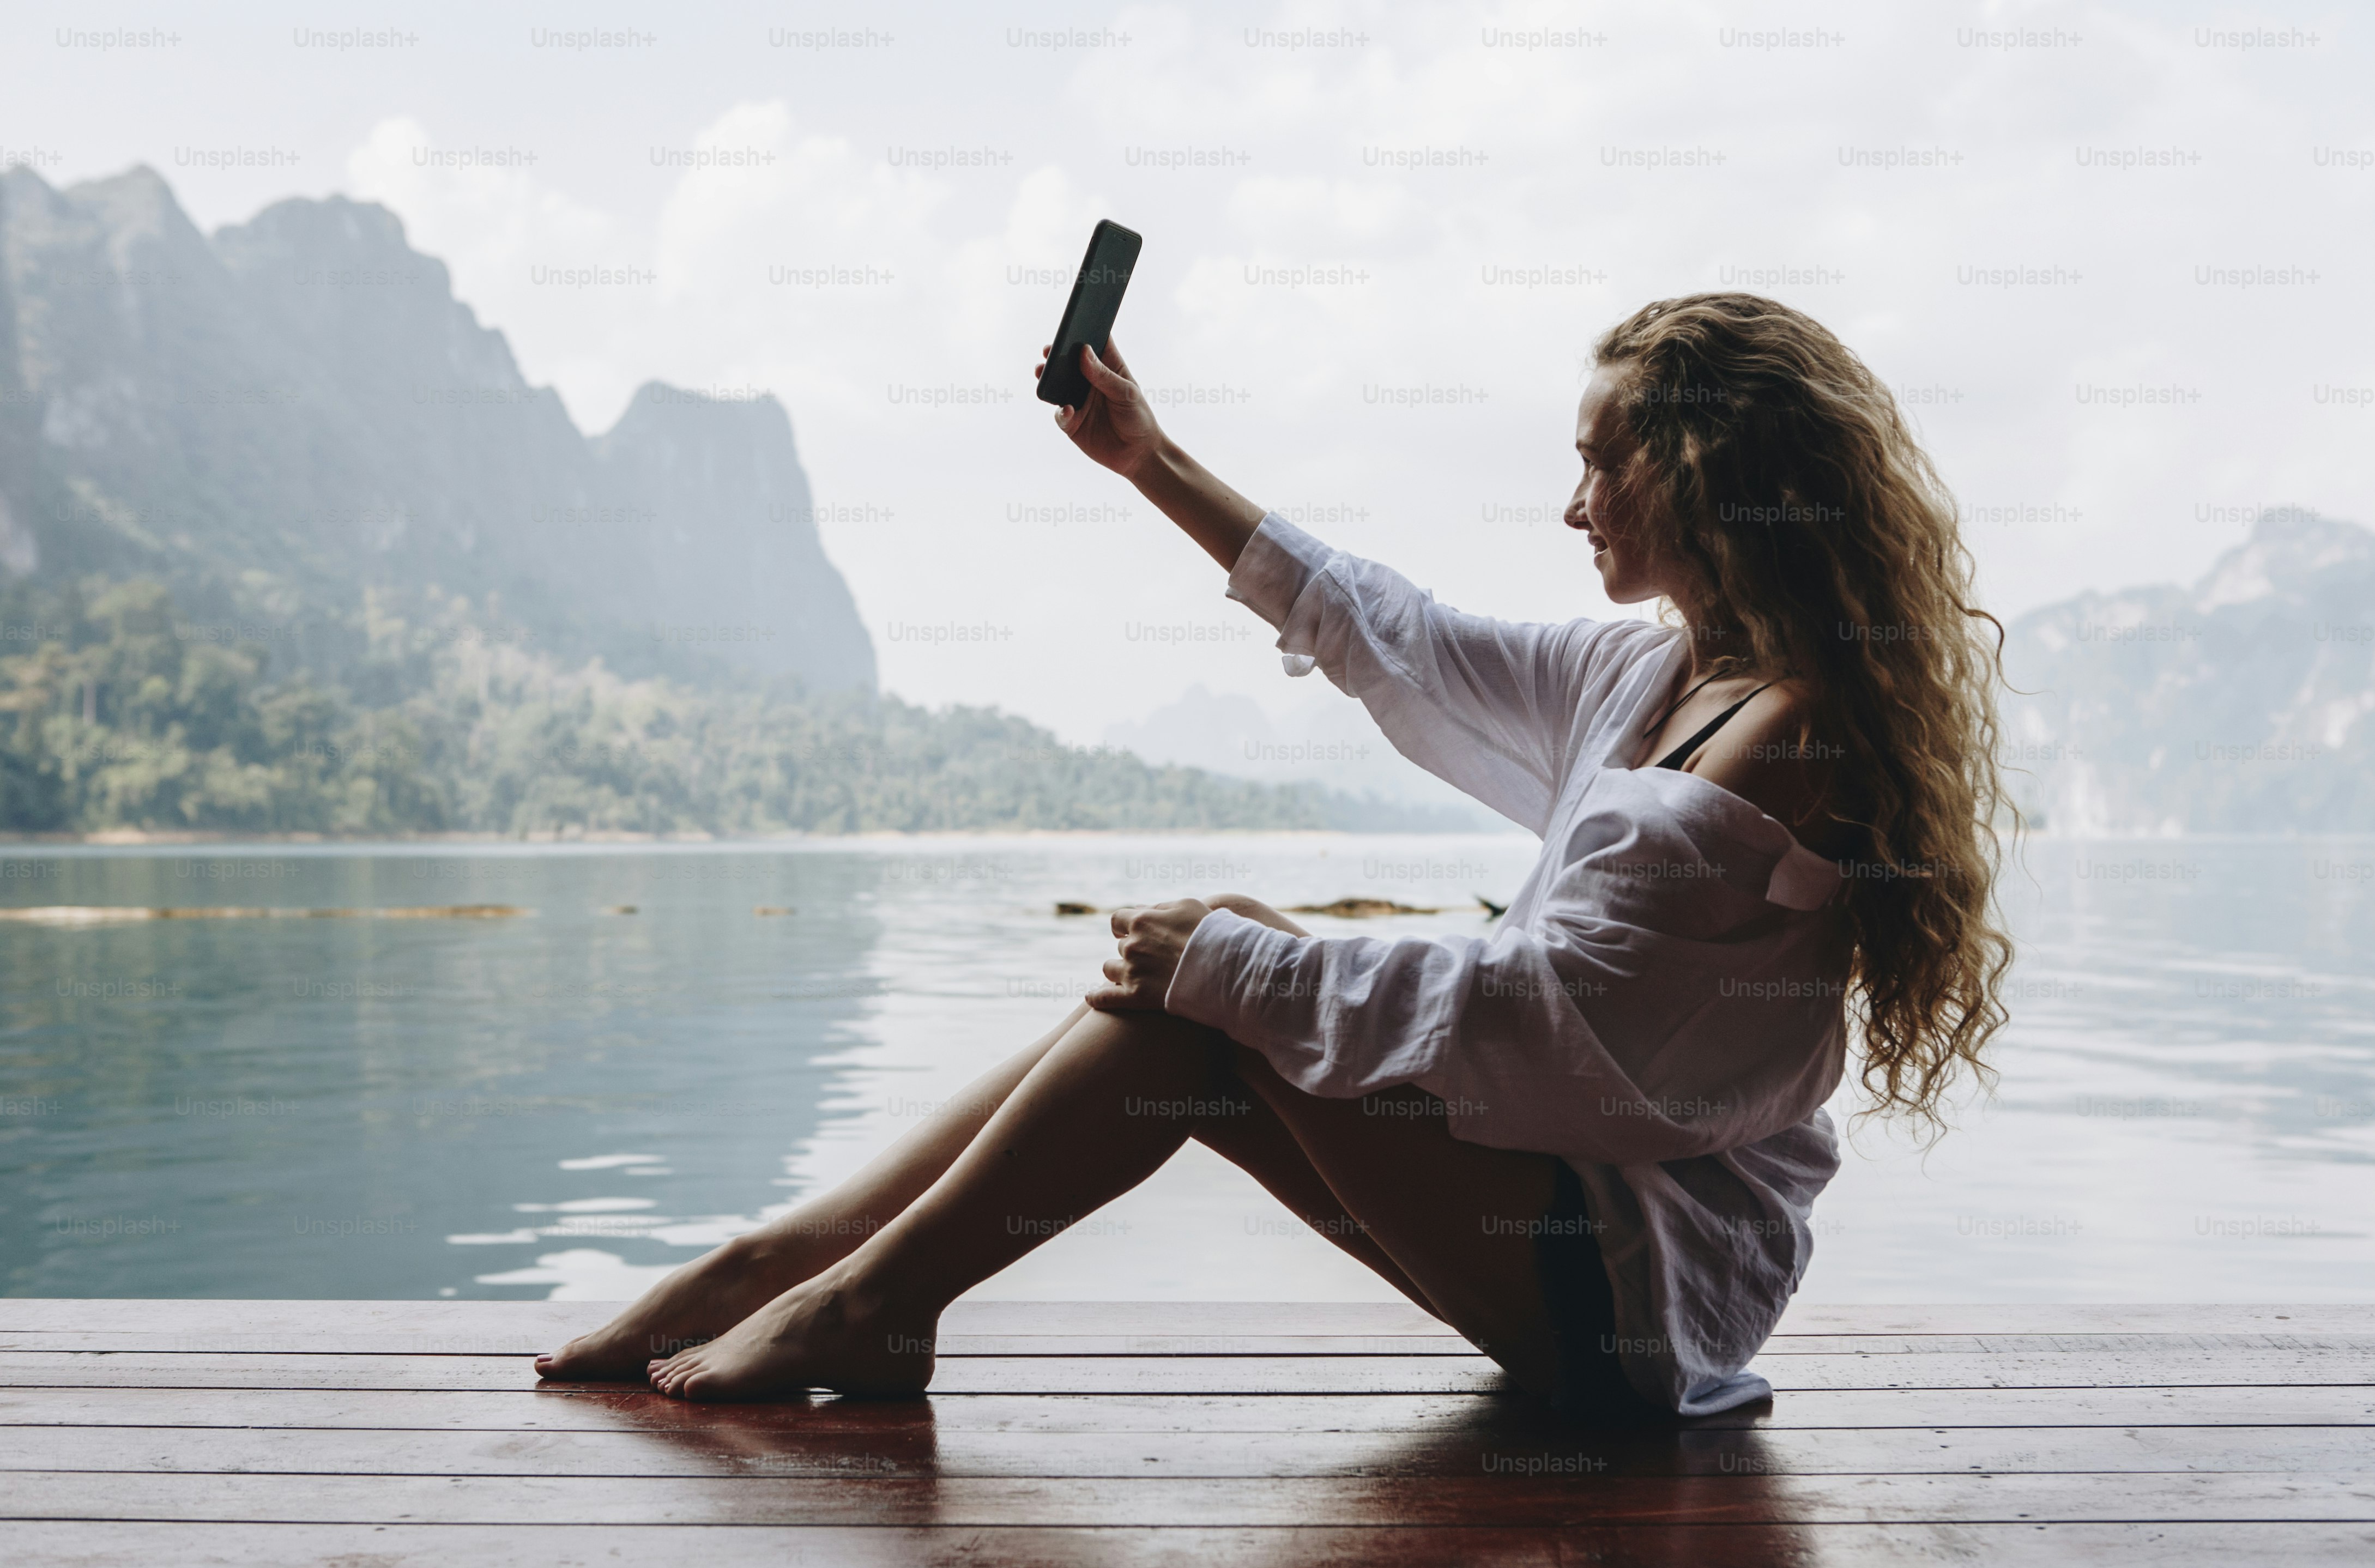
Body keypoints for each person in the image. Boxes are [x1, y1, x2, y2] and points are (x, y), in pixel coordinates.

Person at [537, 292, 2014, 1414]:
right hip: (1560, 1222)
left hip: (1638, 1299)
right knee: (1207, 978)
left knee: (1212, 985)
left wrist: (1241, 962)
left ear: (1703, 470)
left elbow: (1565, 1033)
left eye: (1599, 463)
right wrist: (1149, 460)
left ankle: (853, 1297)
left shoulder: (1789, 733)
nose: (1574, 503)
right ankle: (806, 1273)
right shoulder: (1657, 675)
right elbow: (1401, 637)